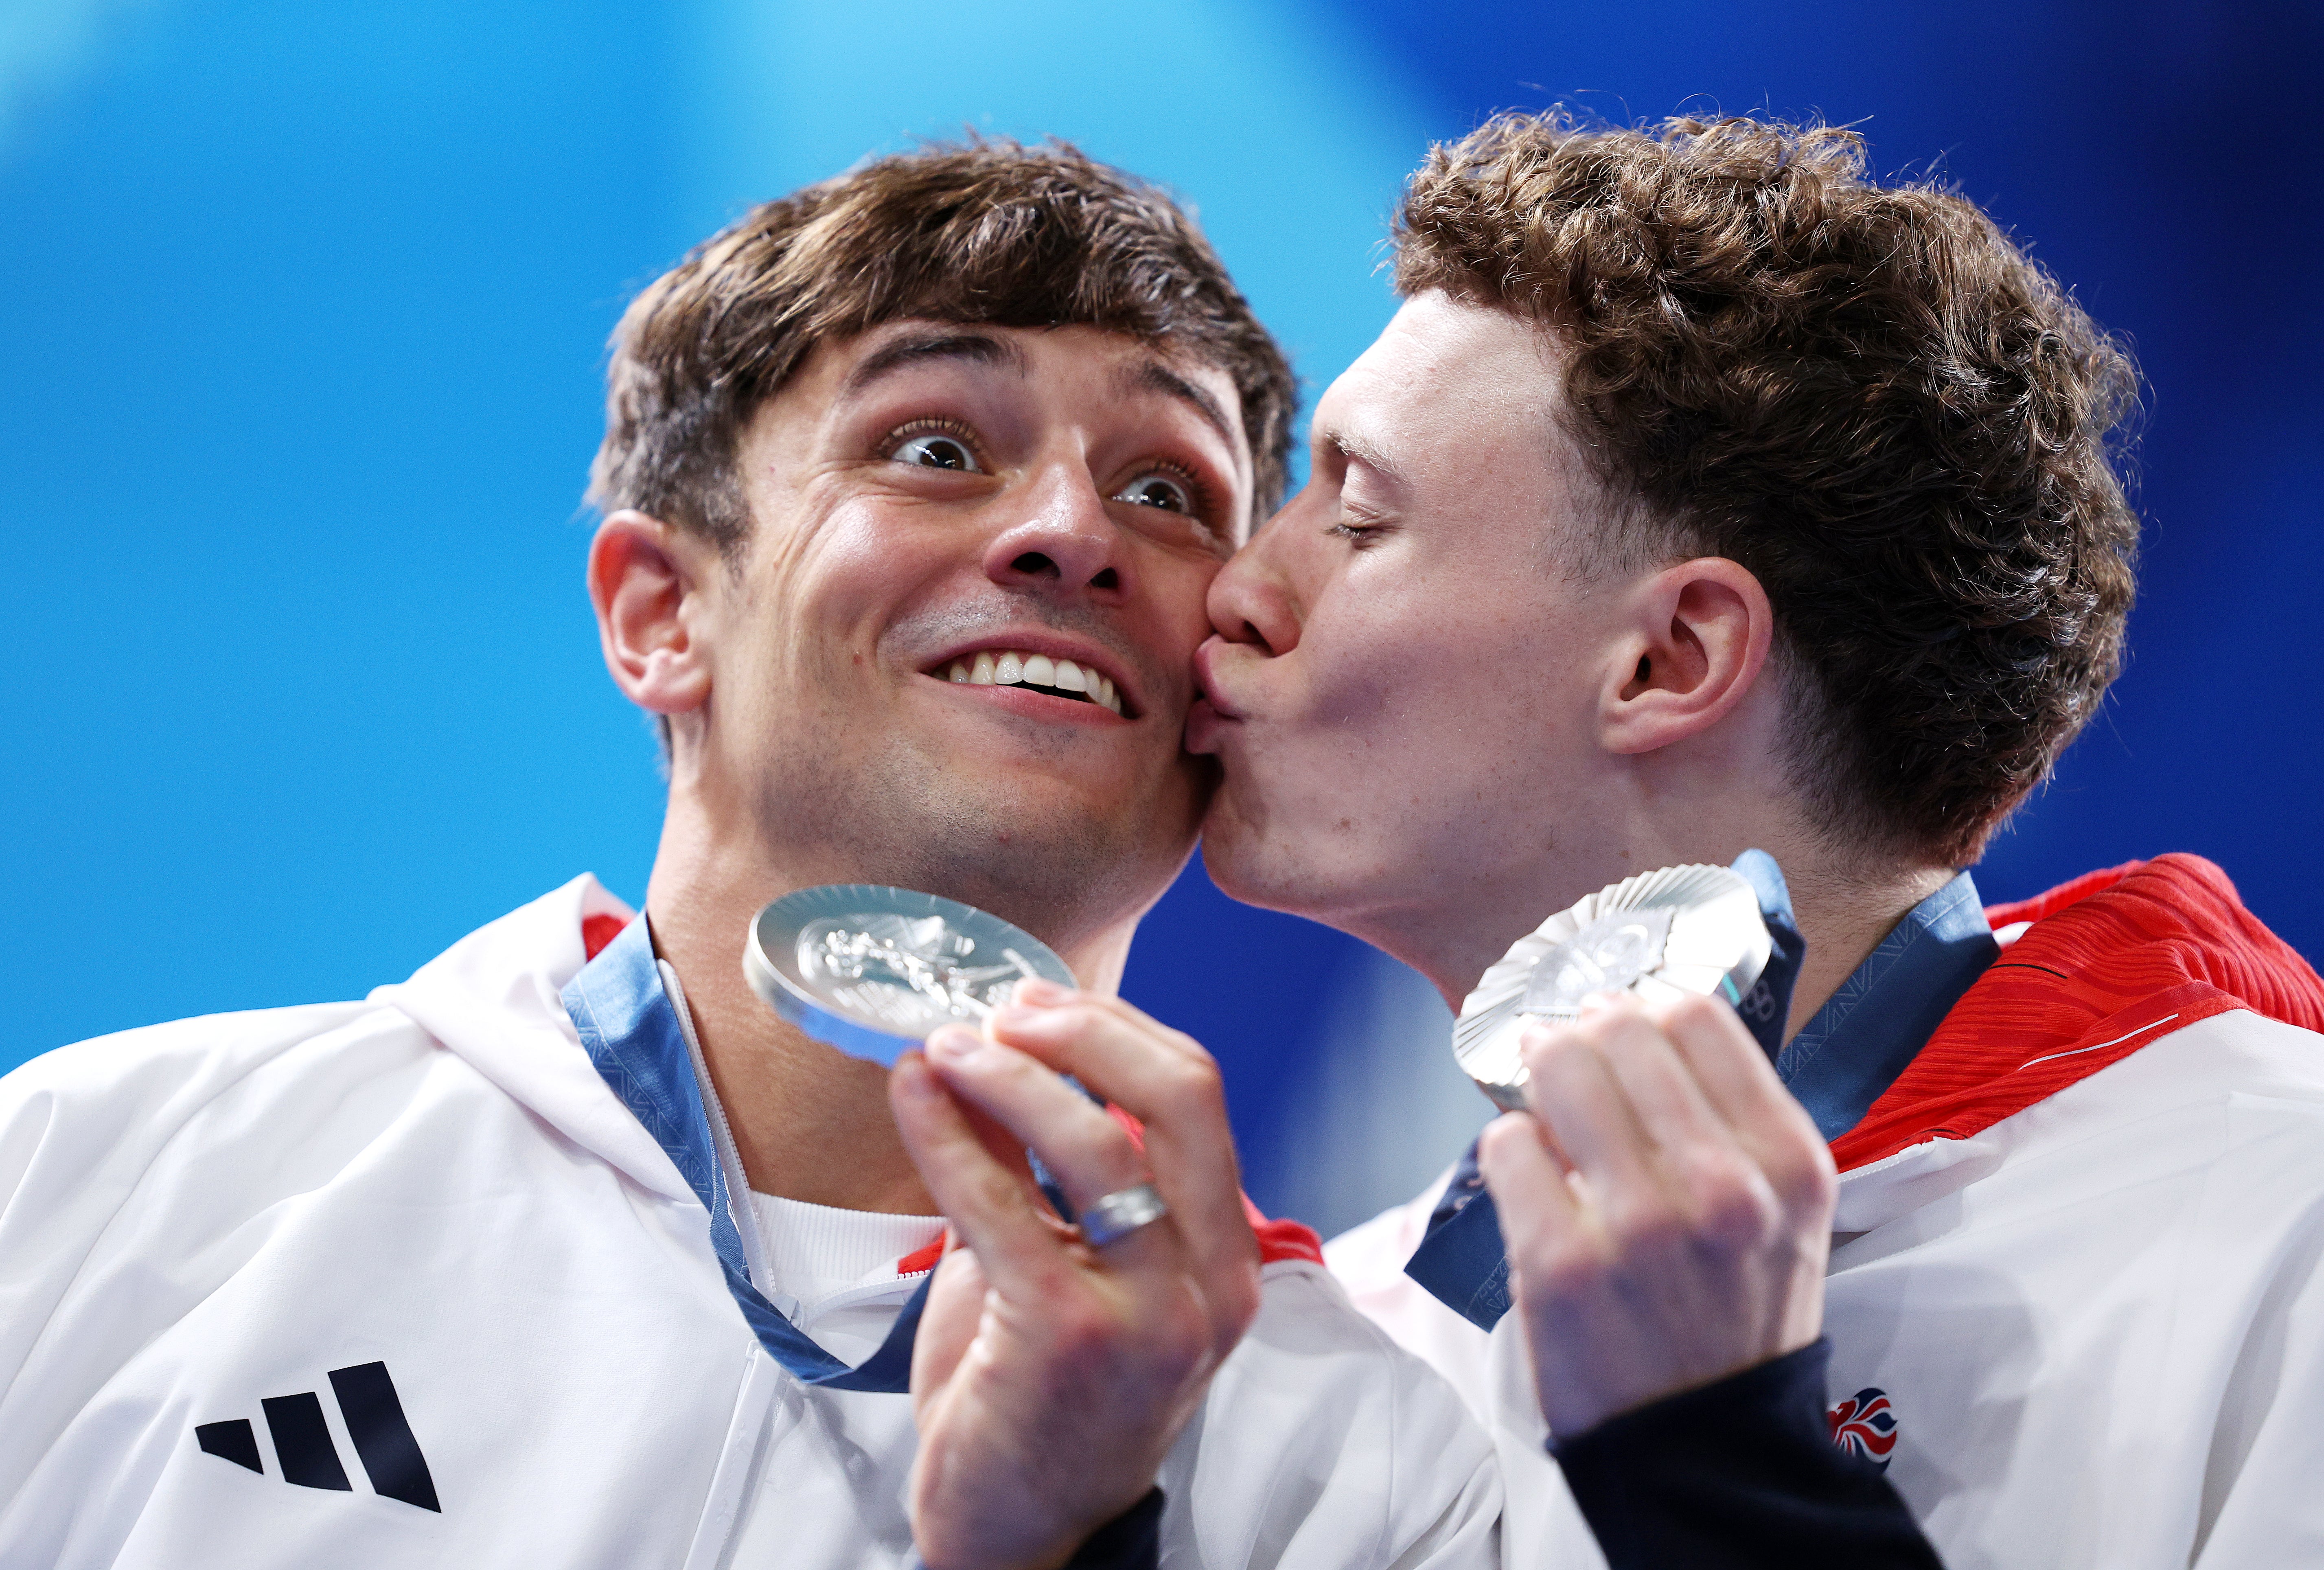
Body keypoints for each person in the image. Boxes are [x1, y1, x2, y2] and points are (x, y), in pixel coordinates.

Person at [0, 140, 1499, 1570]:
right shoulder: (103, 1178)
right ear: (662, 612)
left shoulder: (1367, 1463)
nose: (1071, 532)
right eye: (935, 447)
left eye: (1166, 491)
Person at [1178, 111, 2324, 1568]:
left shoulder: (2284, 1228)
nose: (1234, 588)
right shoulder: (1372, 1327)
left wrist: (1717, 1468)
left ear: (1669, 659)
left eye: (1355, 515)